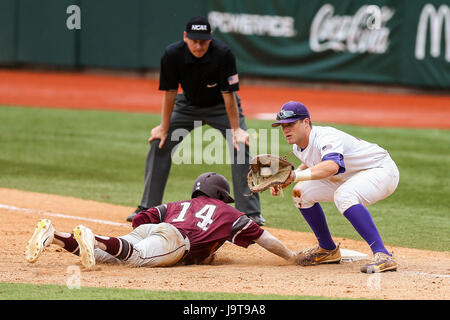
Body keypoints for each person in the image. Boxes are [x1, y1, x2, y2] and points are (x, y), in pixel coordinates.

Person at [127, 16, 264, 225]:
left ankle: (251, 213)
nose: (198, 45)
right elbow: (170, 93)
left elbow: (229, 96)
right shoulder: (172, 54)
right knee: (159, 142)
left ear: (210, 39)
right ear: (185, 37)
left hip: (221, 107)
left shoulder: (223, 54)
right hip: (187, 106)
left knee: (240, 145)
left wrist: (236, 129)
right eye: (194, 40)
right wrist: (164, 127)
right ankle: (148, 208)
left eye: (203, 41)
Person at [26, 172, 295, 268]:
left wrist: (150, 235)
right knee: (136, 258)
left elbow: (141, 218)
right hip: (176, 240)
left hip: (156, 228)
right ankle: (93, 237)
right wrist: (291, 257)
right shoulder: (228, 213)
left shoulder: (177, 204)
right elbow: (264, 237)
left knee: (109, 255)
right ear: (222, 196)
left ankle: (55, 236)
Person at [271, 101, 400, 273]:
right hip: (350, 176)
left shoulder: (326, 137)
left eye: (291, 124)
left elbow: (331, 166)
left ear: (306, 122)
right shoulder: (297, 146)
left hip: (381, 171)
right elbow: (312, 161)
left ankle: (383, 255)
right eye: (282, 126)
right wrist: (289, 179)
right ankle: (328, 249)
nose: (286, 130)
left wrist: (294, 176)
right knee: (301, 192)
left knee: (344, 195)